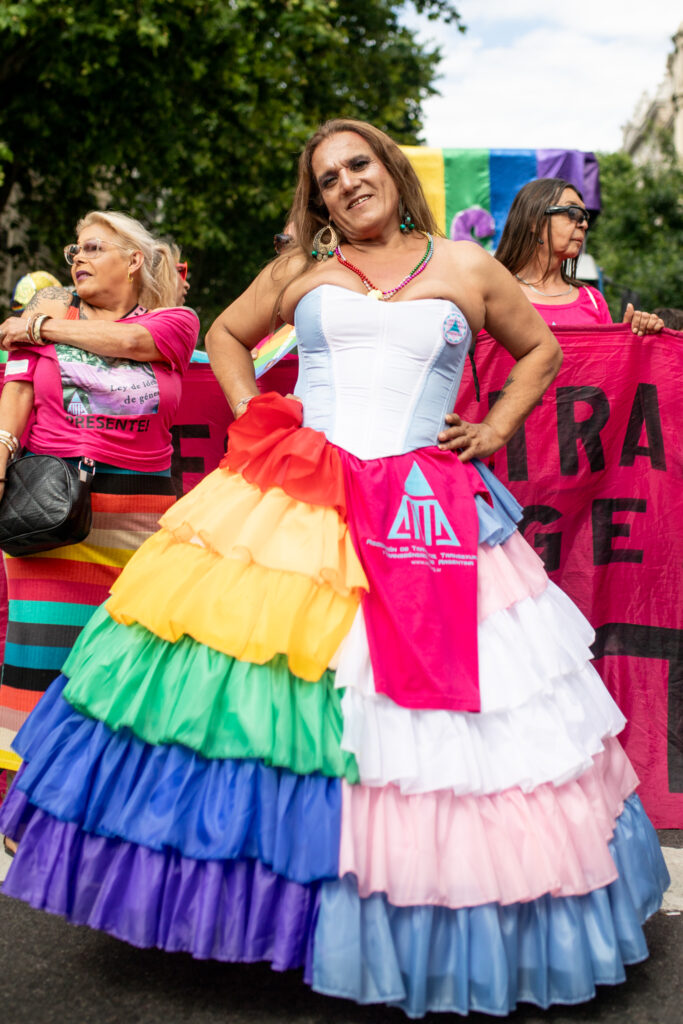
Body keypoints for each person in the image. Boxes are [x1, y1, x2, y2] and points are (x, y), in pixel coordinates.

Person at [0, 122, 668, 1017]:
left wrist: (497, 427)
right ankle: (277, 911)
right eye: (326, 179)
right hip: (296, 501)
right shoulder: (302, 270)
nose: (347, 184)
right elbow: (231, 338)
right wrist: (256, 416)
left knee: (434, 720)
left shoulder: (466, 266)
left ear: (390, 169)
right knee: (275, 707)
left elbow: (539, 349)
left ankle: (411, 921)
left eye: (358, 165)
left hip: (426, 511)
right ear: (315, 199)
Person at [0, 211, 200, 845]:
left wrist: (38, 324)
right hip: (51, 504)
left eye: (93, 248)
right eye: (74, 250)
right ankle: (18, 807)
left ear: (134, 260)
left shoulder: (172, 323)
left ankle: (98, 803)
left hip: (141, 512)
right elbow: (18, 396)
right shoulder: (53, 320)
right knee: (35, 658)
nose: (78, 259)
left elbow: (133, 347)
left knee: (123, 662)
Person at [495, 177, 664, 333]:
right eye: (572, 213)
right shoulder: (493, 293)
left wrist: (627, 338)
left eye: (584, 217)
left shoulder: (593, 300)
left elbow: (607, 365)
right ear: (534, 221)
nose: (584, 224)